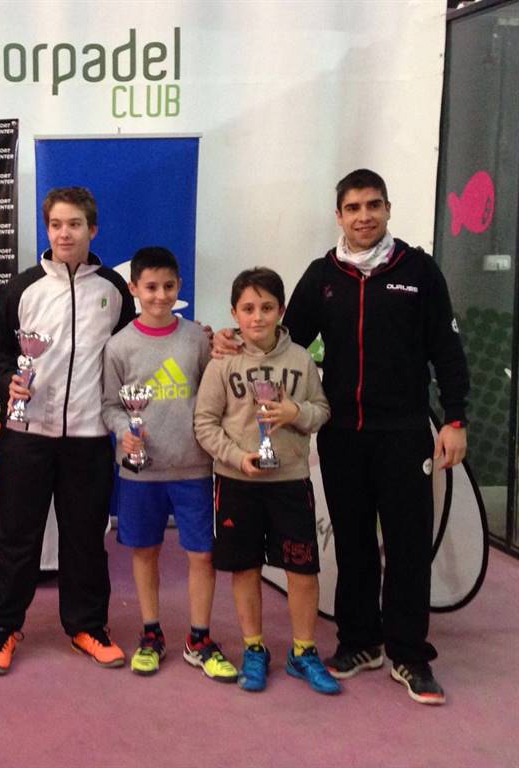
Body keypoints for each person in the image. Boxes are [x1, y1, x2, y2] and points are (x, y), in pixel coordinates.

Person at [234, 169, 464, 705]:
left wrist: (455, 420)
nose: (364, 216)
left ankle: (409, 654)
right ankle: (361, 643)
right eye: (354, 207)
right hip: (342, 434)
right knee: (354, 541)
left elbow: (447, 350)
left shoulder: (418, 271)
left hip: (404, 432)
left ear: (388, 209)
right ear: (338, 215)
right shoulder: (324, 275)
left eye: (373, 205)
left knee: (407, 545)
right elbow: (285, 339)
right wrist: (232, 341)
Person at [0, 186, 136, 674]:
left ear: (93, 229)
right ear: (47, 230)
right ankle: (2, 627)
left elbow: (132, 352)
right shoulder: (24, 287)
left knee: (85, 538)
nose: (64, 234)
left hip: (88, 437)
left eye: (74, 224)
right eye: (55, 225)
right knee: (16, 537)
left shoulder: (114, 290)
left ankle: (87, 625)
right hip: (26, 435)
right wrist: (7, 379)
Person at [194, 267, 341, 695]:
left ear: (281, 310)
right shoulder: (222, 362)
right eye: (248, 309)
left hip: (290, 480)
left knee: (302, 569)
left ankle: (303, 651)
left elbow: (322, 410)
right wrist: (237, 457)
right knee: (245, 567)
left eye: (266, 307)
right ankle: (253, 648)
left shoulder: (300, 360)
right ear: (234, 314)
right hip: (237, 481)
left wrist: (296, 413)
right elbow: (204, 424)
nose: (257, 317)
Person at [101, 246, 237, 680]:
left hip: (193, 467)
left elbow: (214, 394)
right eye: (151, 287)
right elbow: (110, 406)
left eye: (168, 286)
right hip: (141, 470)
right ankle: (151, 632)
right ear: (133, 288)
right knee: (145, 551)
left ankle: (199, 638)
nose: (160, 295)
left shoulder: (198, 339)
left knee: (202, 554)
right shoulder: (119, 346)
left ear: (179, 286)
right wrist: (123, 430)